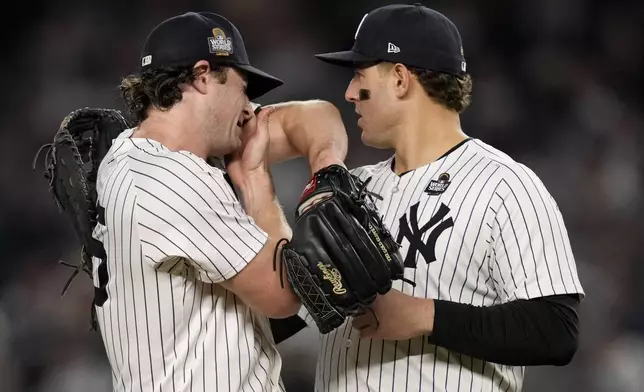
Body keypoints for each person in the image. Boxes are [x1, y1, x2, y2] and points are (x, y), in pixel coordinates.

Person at [277, 4, 585, 392]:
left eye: (359, 75)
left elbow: (556, 330)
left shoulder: (504, 185)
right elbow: (285, 316)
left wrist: (425, 316)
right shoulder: (352, 189)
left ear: (401, 79)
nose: (350, 93)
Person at [92, 11, 347, 392]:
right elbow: (284, 294)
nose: (248, 108)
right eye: (244, 89)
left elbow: (317, 115)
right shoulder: (172, 178)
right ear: (202, 77)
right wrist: (257, 177)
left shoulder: (128, 154)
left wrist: (326, 172)